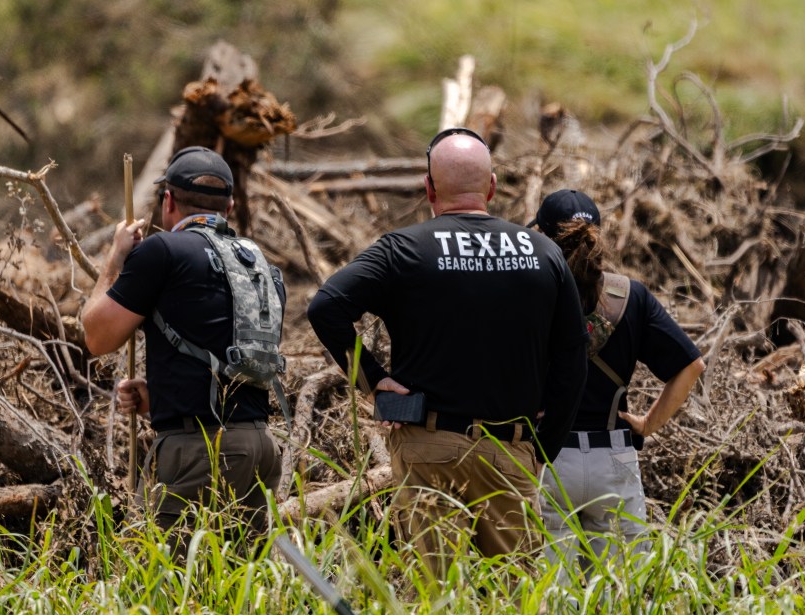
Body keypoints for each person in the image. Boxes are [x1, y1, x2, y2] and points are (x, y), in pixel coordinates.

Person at [307, 128, 589, 582]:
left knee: (435, 601)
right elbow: (573, 359)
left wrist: (372, 378)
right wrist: (543, 448)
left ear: (429, 189)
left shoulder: (403, 249)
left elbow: (325, 307)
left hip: (428, 447)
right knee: (518, 605)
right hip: (510, 449)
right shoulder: (544, 253)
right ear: (492, 187)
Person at [81, 146, 284, 535]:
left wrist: (115, 259)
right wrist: (160, 398)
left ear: (168, 201)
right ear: (230, 205)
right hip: (260, 447)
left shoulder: (163, 251)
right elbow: (239, 361)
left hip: (200, 452)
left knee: (158, 585)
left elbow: (96, 336)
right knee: (237, 587)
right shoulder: (259, 264)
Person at [532, 189, 705, 574]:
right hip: (613, 455)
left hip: (545, 457)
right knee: (619, 597)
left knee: (549, 599)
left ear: (542, 237)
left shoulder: (531, 296)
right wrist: (647, 424)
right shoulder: (631, 296)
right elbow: (691, 366)